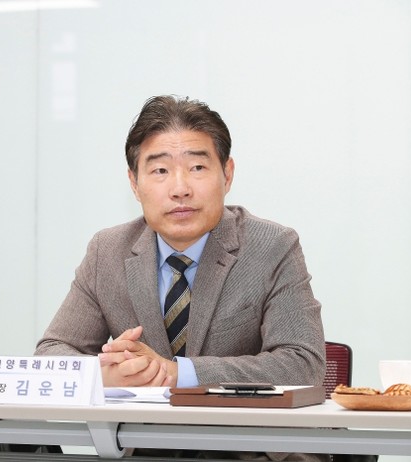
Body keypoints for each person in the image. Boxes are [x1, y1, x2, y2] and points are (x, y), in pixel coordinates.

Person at [35, 95, 327, 461]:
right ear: (134, 183)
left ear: (227, 174)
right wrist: (103, 373)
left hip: (249, 451)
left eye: (197, 167)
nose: (180, 188)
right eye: (160, 171)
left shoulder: (272, 246)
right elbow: (52, 353)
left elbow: (302, 364)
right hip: (146, 451)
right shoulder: (107, 251)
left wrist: (178, 374)